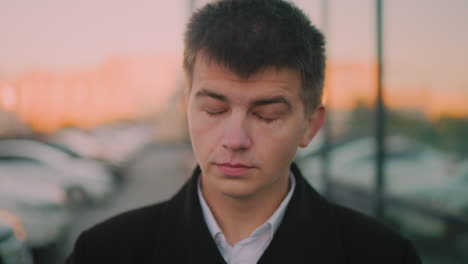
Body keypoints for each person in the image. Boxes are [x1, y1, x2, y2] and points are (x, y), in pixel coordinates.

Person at [66, 0, 422, 263]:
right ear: (186, 108)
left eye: (266, 115)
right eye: (214, 110)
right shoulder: (102, 252)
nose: (235, 140)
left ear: (311, 125)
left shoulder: (384, 255)